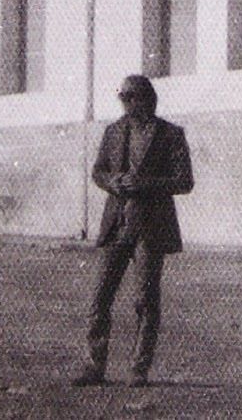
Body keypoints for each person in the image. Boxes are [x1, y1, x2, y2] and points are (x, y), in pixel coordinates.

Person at [71, 74, 194, 388]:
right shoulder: (113, 132)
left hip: (150, 229)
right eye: (122, 97)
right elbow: (98, 171)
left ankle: (139, 369)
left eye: (131, 97)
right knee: (99, 298)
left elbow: (184, 181)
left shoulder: (170, 134)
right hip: (116, 226)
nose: (125, 103)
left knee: (145, 301)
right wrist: (112, 182)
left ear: (147, 99)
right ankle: (93, 367)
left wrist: (144, 185)